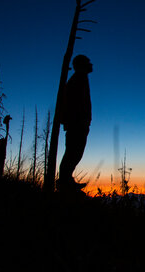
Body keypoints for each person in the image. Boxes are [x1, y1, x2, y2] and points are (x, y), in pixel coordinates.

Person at [58, 54, 93, 191]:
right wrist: (78, 121)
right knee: (73, 153)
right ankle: (64, 182)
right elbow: (73, 103)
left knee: (74, 153)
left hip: (79, 123)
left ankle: (66, 180)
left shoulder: (81, 78)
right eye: (88, 62)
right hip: (77, 123)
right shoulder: (77, 79)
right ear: (82, 65)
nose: (91, 65)